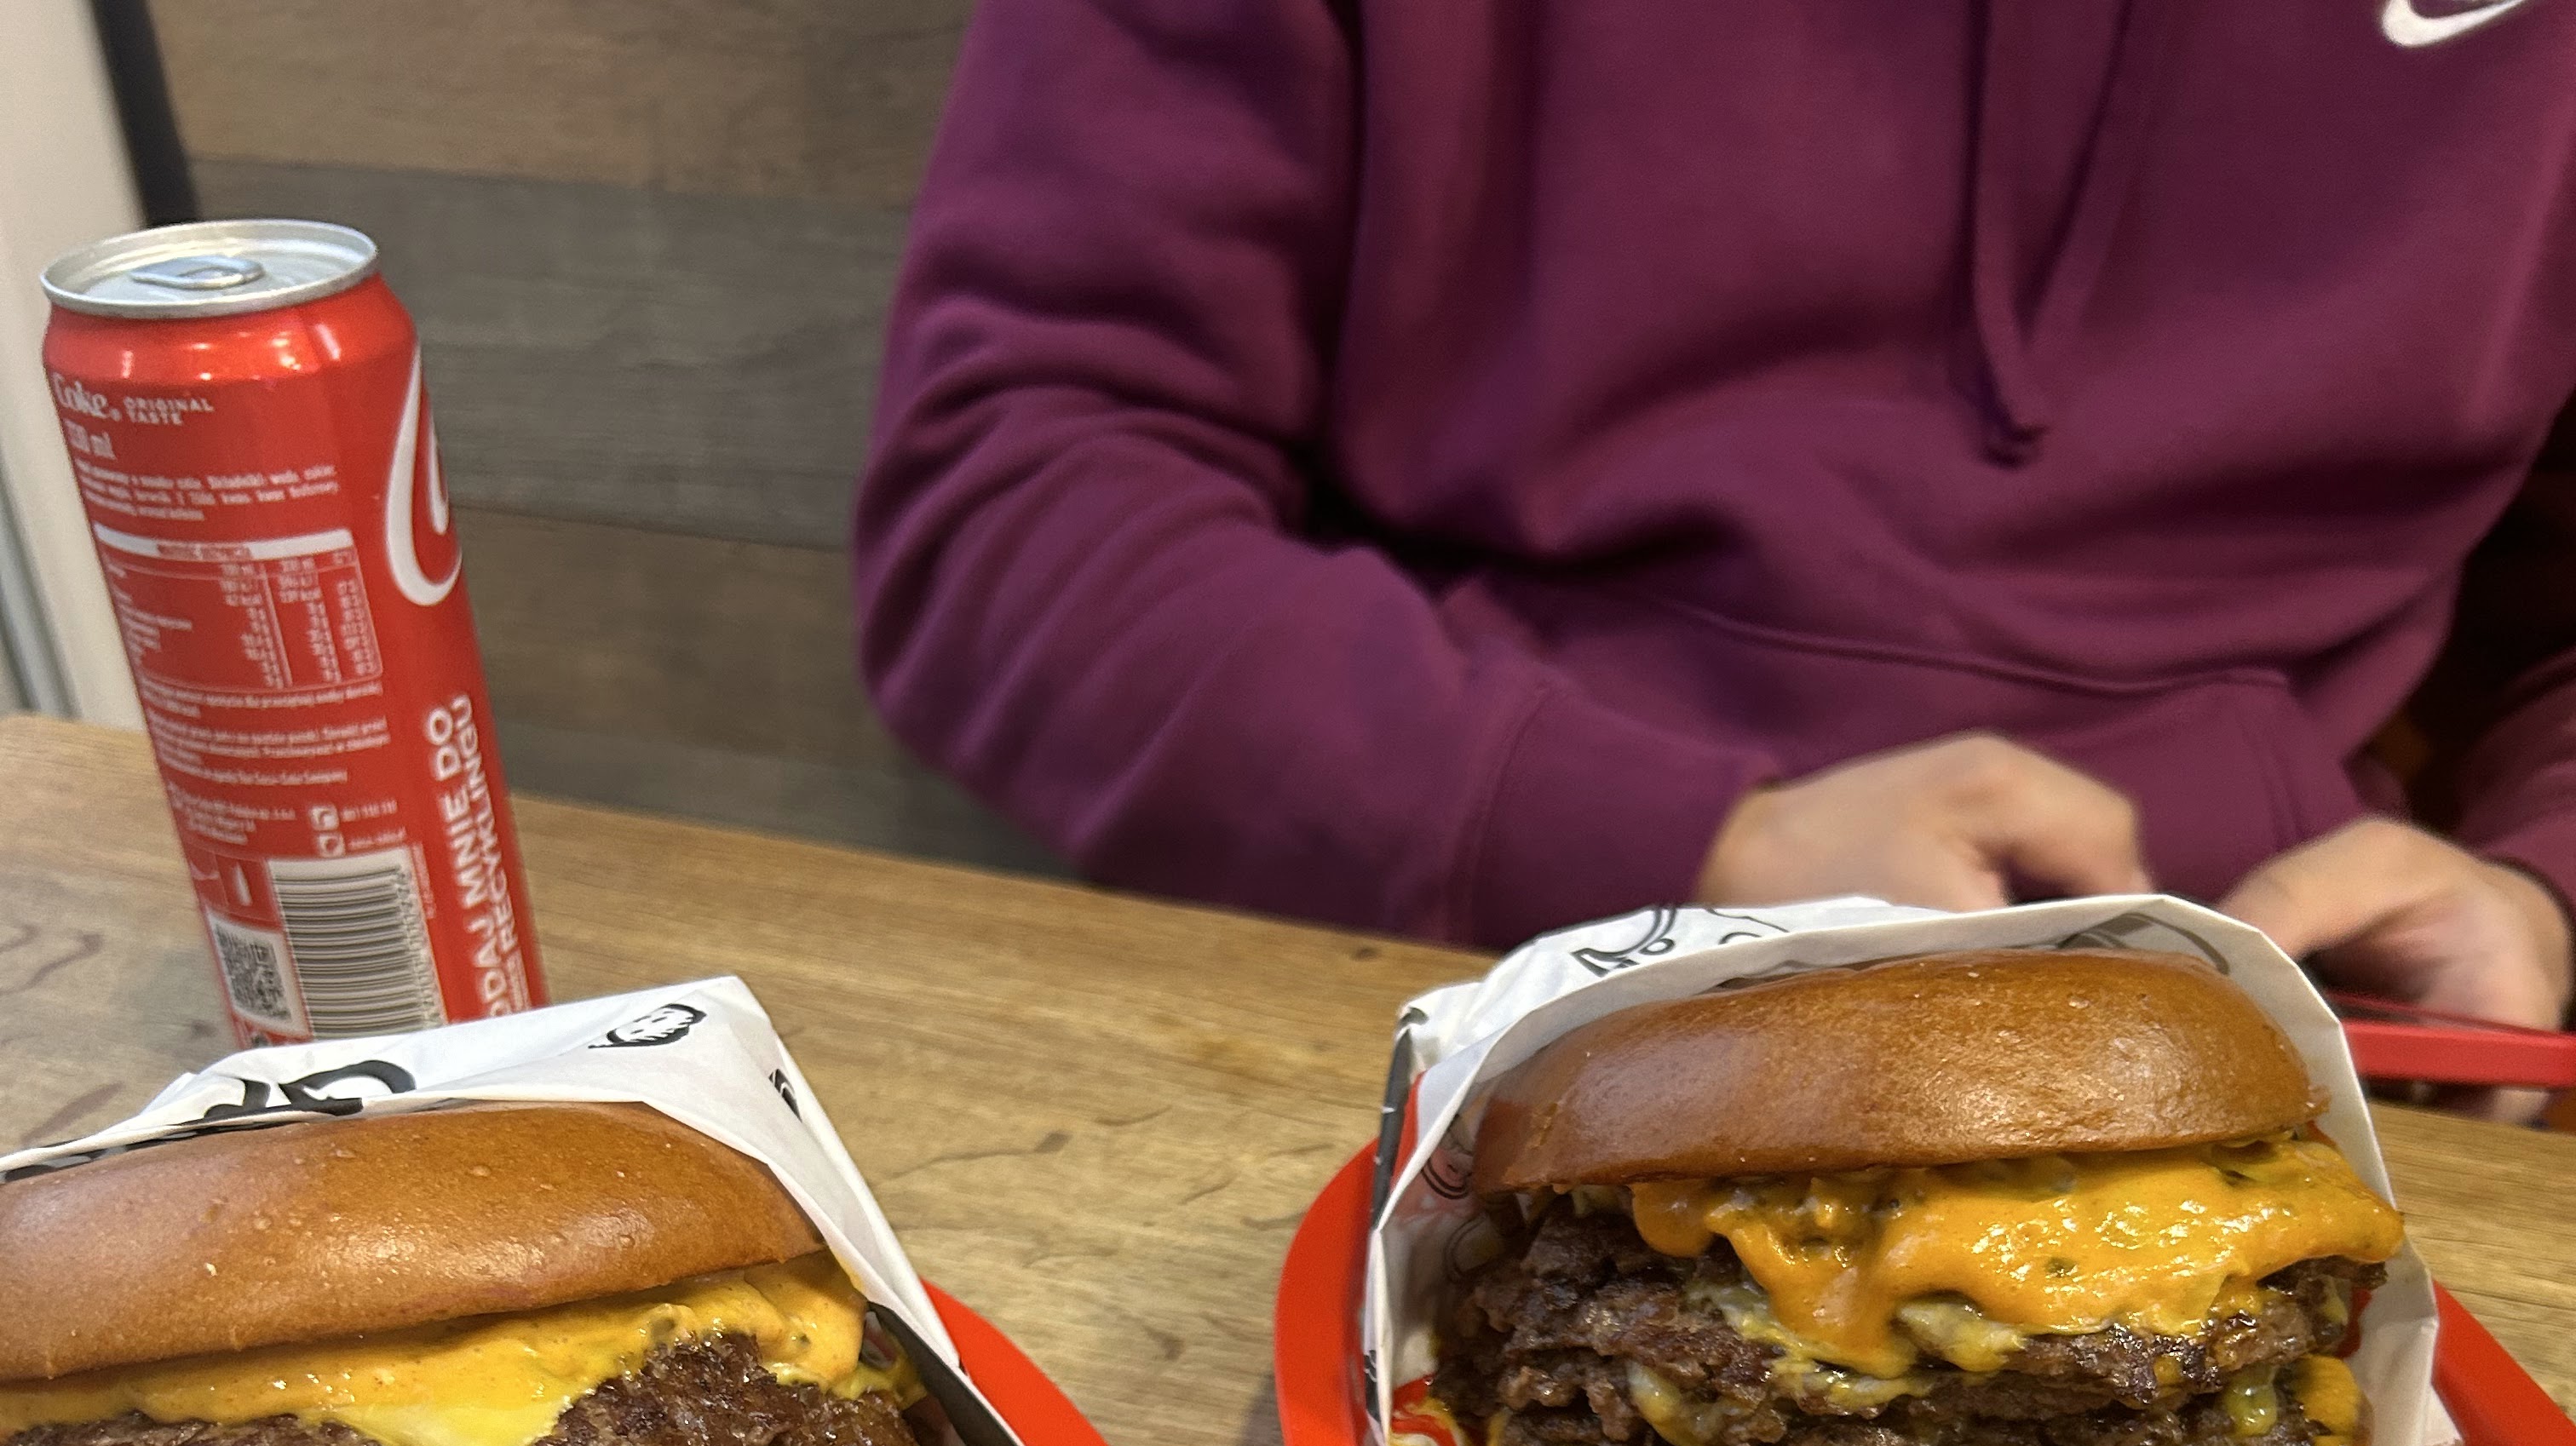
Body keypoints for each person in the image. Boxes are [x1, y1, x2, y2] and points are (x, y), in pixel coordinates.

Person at [855, 0, 2576, 1037]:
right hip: (1420, 985)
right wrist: (1684, 852)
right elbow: (1012, 508)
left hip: (2285, 1036)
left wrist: (2542, 892)